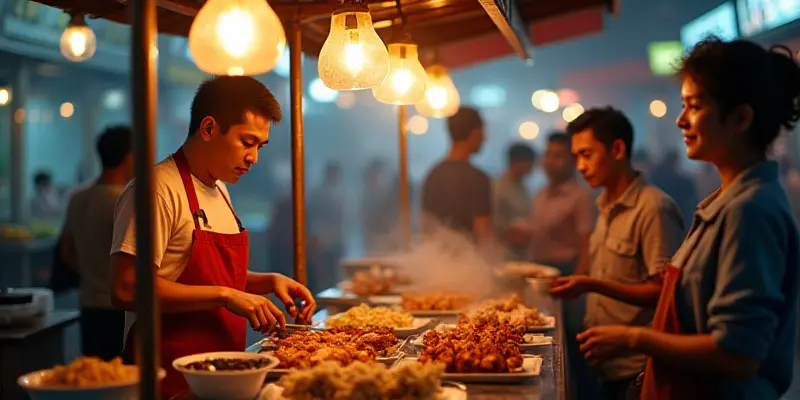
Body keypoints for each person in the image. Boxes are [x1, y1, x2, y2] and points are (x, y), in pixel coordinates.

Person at [573, 38, 800, 399]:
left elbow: (738, 355)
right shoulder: (723, 203)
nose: (681, 120)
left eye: (694, 106)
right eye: (683, 105)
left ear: (741, 118)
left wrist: (634, 337)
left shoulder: (750, 211)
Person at [110, 76, 316, 398]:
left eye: (259, 146)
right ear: (208, 129)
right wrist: (225, 295)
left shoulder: (220, 190)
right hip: (168, 381)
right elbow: (126, 288)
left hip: (222, 378)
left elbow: (208, 276)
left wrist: (268, 281)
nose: (254, 158)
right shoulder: (157, 190)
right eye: (246, 142)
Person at [548, 107, 685, 400]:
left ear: (618, 149)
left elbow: (664, 292)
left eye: (587, 154)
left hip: (638, 369)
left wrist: (591, 284)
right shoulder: (605, 204)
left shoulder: (653, 208)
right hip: (606, 365)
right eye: (577, 158)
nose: (581, 166)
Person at [530, 132, 597, 399]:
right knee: (546, 340)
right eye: (547, 154)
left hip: (568, 275)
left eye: (558, 156)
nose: (549, 161)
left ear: (572, 161)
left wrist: (580, 283)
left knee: (572, 346)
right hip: (541, 274)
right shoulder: (541, 193)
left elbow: (586, 244)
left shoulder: (581, 196)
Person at [60, 126, 133, 360]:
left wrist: (94, 275)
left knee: (94, 380)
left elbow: (67, 253)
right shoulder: (126, 202)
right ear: (129, 157)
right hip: (120, 309)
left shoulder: (78, 198)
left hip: (90, 306)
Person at [421, 107, 492, 243]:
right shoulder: (477, 178)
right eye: (483, 132)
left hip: (436, 257)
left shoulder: (433, 175)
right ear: (475, 133)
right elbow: (483, 233)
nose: (484, 139)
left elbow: (425, 227)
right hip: (469, 260)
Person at [308, 161, 345, 294]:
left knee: (334, 277)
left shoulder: (339, 194)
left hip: (336, 240)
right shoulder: (318, 194)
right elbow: (313, 218)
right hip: (321, 241)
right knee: (322, 278)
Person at [493, 142, 536, 260]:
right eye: (530, 163)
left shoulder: (522, 187)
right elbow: (494, 225)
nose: (532, 167)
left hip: (521, 253)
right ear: (517, 162)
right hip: (503, 253)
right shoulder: (499, 188)